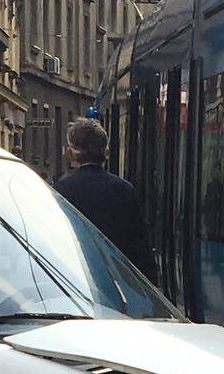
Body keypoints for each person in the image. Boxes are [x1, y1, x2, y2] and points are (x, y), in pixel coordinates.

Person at [56, 117, 158, 284]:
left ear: (70, 153)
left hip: (77, 282)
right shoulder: (124, 190)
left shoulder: (62, 190)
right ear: (106, 153)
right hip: (118, 284)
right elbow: (141, 249)